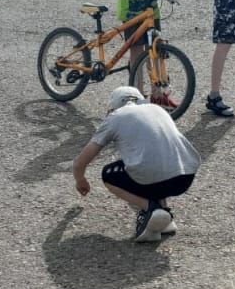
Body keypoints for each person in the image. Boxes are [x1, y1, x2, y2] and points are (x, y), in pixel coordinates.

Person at [72, 86, 201, 242]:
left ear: (113, 107)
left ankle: (151, 209)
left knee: (109, 173)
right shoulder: (157, 109)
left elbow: (81, 162)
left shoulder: (115, 117)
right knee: (158, 160)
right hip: (185, 177)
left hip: (153, 177)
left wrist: (80, 180)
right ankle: (165, 214)